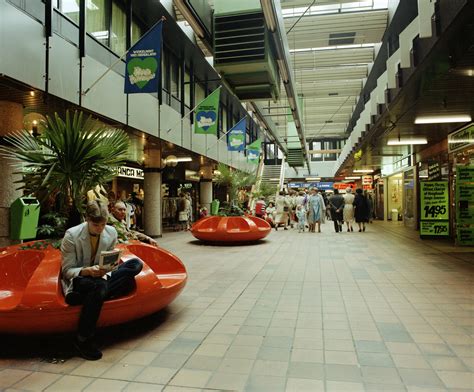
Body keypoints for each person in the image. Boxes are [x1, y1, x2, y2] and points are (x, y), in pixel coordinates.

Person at [61, 200, 143, 360]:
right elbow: (67, 271)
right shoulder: (72, 235)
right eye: (95, 225)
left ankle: (88, 296)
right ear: (87, 219)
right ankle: (83, 339)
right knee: (98, 287)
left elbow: (109, 261)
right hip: (80, 278)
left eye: (103, 225)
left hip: (102, 277)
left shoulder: (111, 232)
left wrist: (108, 268)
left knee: (135, 265)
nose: (100, 229)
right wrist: (88, 271)